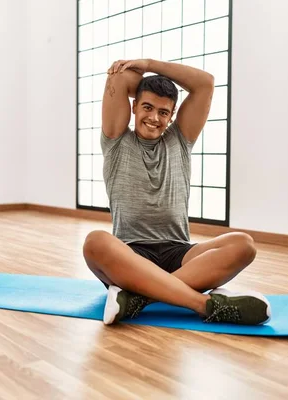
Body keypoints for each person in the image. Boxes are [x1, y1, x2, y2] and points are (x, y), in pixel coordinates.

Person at [82, 58, 271, 326]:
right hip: (131, 256)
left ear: (171, 116)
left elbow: (205, 84)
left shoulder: (179, 140)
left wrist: (148, 63)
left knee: (243, 245)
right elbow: (119, 79)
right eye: (147, 107)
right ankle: (203, 305)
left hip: (180, 255)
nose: (154, 118)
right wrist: (145, 78)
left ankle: (140, 298)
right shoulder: (116, 140)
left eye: (163, 112)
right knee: (95, 242)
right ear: (134, 105)